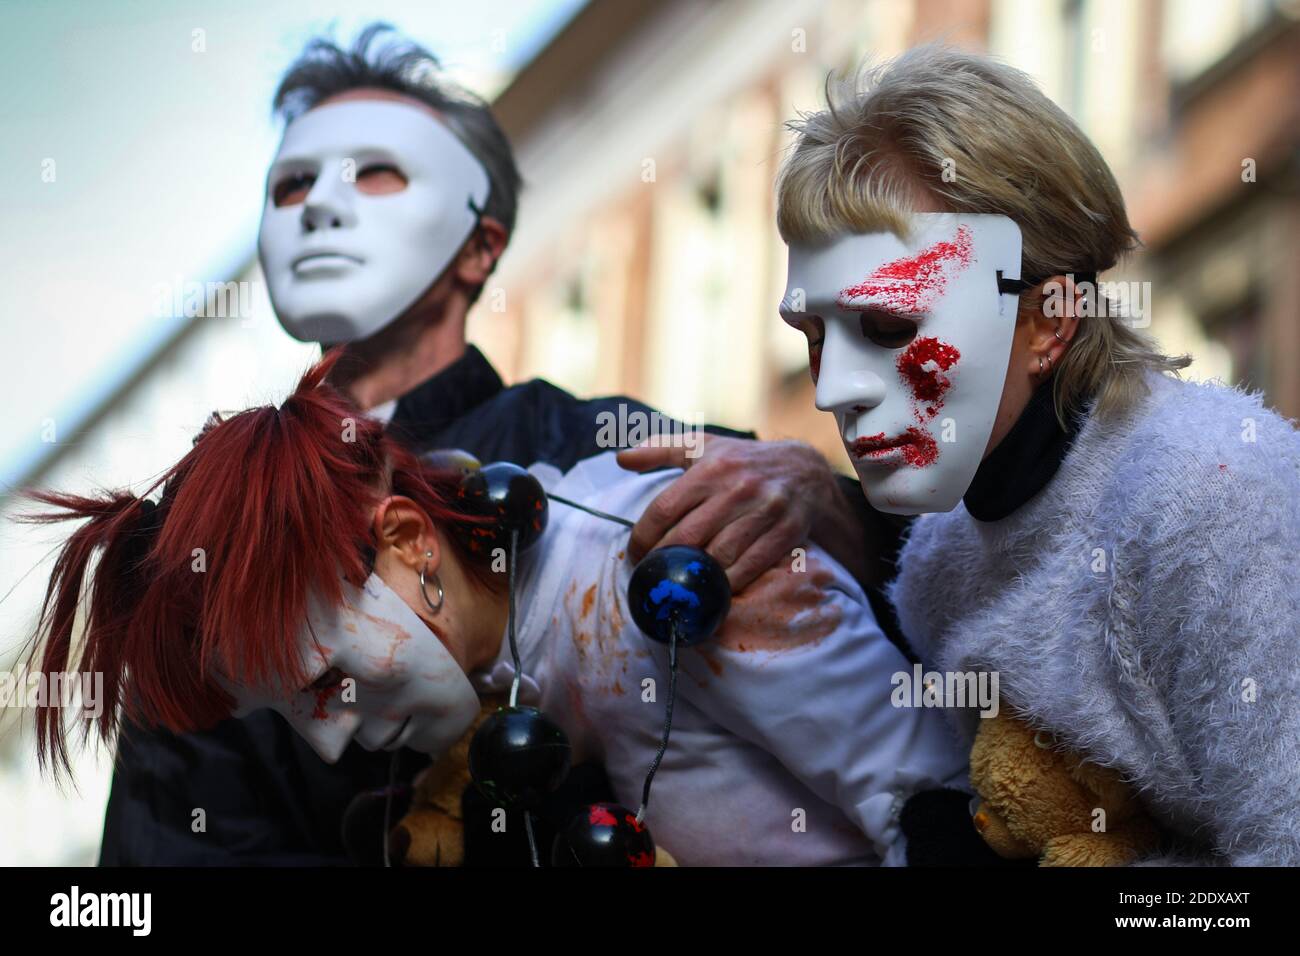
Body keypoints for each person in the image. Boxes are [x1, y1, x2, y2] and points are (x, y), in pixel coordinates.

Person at [95, 24, 897, 865]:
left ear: (482, 244)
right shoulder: (204, 559)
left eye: (376, 172)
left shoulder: (595, 449)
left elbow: (909, 627)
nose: (322, 206)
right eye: (290, 186)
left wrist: (825, 501)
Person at [28, 353, 970, 866]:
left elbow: (938, 809)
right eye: (287, 714)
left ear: (405, 543)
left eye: (324, 684)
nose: (326, 747)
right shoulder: (515, 665)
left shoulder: (666, 570)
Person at [776, 44, 1300, 865]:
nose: (833, 389)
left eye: (889, 328)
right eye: (813, 336)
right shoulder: (936, 567)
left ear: (1050, 319)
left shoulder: (1216, 497)